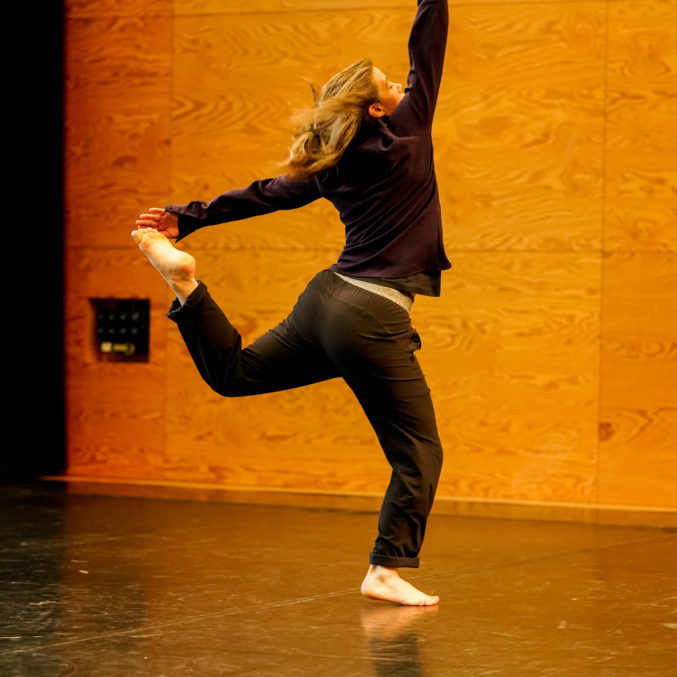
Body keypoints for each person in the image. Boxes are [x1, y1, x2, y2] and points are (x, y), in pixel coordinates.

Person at [133, 0, 449, 606]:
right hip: (371, 316)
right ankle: (385, 569)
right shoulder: (408, 128)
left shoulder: (331, 164)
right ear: (377, 108)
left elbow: (265, 194)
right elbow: (427, 46)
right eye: (391, 85)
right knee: (419, 452)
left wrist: (187, 218)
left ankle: (186, 287)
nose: (403, 87)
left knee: (234, 375)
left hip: (326, 299)